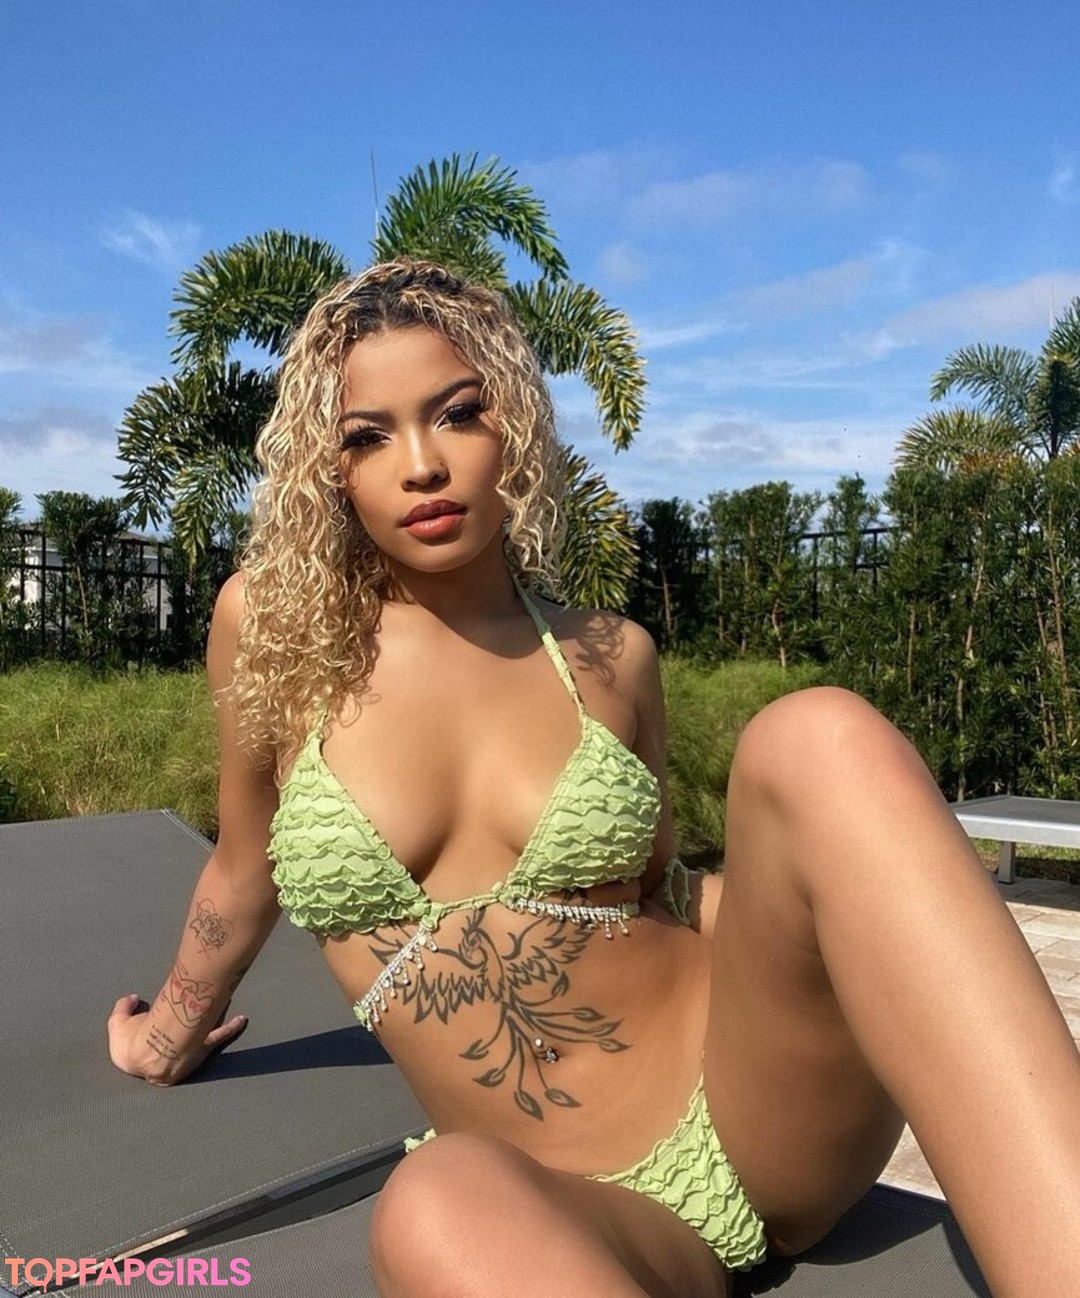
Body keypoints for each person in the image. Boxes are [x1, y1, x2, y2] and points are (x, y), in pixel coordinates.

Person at [109, 260, 1080, 1297]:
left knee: (819, 735)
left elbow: (662, 891)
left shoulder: (610, 656)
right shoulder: (275, 630)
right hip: (570, 1205)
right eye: (368, 436)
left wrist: (843, 922)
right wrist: (168, 1033)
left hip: (761, 1111)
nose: (423, 464)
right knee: (435, 1200)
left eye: (458, 414)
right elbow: (245, 865)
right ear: (328, 468)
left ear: (515, 426)